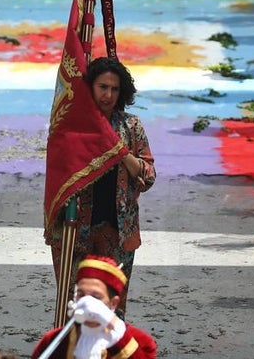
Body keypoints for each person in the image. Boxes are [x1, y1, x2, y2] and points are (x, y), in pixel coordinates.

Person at [46, 58, 155, 318]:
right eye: (102, 87)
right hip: (74, 229)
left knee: (112, 306)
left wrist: (121, 154)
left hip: (117, 230)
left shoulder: (131, 126)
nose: (108, 95)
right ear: (89, 88)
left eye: (114, 89)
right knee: (73, 304)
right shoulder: (71, 127)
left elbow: (148, 176)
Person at [31, 256, 157, 359]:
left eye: (96, 297)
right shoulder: (53, 341)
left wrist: (118, 335)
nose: (87, 303)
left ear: (113, 303)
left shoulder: (141, 341)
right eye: (81, 295)